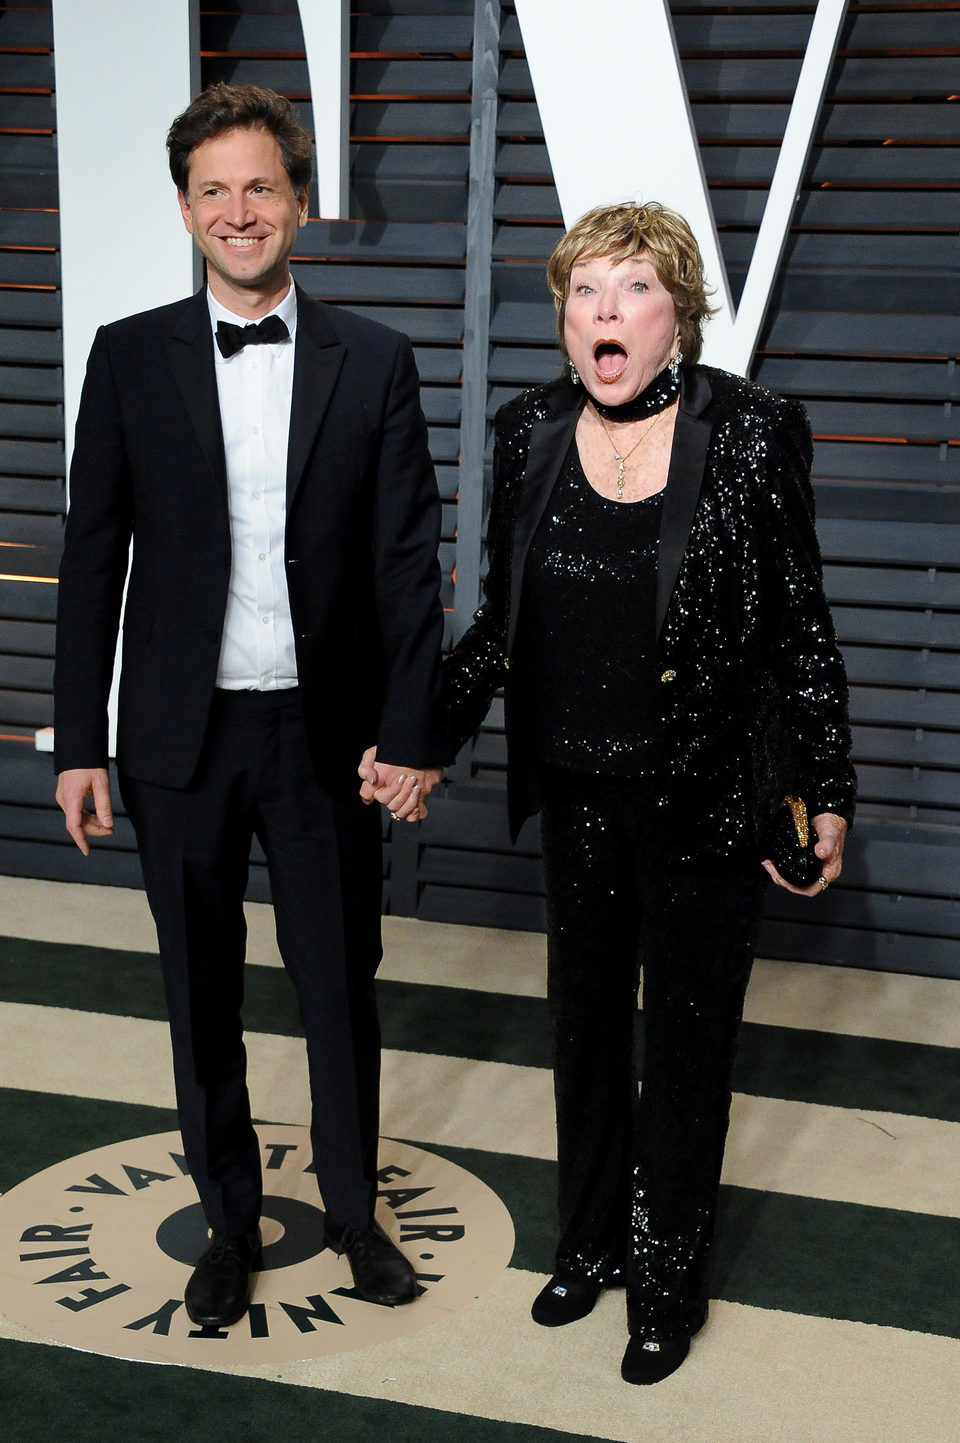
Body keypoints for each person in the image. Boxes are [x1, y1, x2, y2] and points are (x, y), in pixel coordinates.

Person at [430, 202, 854, 1384]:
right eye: (584, 293)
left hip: (709, 796)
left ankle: (666, 1282)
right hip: (576, 793)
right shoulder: (529, 432)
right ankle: (590, 1245)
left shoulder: (758, 432)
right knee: (582, 1031)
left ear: (680, 314)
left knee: (684, 1046)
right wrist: (422, 738)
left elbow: (800, 633)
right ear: (564, 318)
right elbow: (498, 630)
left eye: (632, 291)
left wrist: (826, 785)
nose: (605, 315)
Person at [53, 83, 446, 1330]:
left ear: (301, 203)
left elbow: (404, 563)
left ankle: (349, 1214)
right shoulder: (125, 355)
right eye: (213, 190)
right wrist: (81, 740)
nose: (239, 211)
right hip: (180, 736)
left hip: (324, 737)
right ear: (185, 208)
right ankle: (228, 1222)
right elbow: (90, 557)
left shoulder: (375, 359)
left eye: (260, 186)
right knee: (200, 989)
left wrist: (412, 727)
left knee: (339, 985)